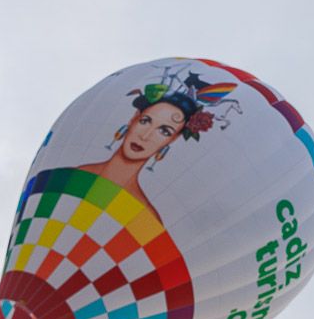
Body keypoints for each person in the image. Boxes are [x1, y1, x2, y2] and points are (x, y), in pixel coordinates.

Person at [78, 85, 215, 224]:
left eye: (164, 131)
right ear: (134, 118)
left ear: (173, 139)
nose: (145, 136)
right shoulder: (68, 177)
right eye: (145, 121)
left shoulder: (148, 220)